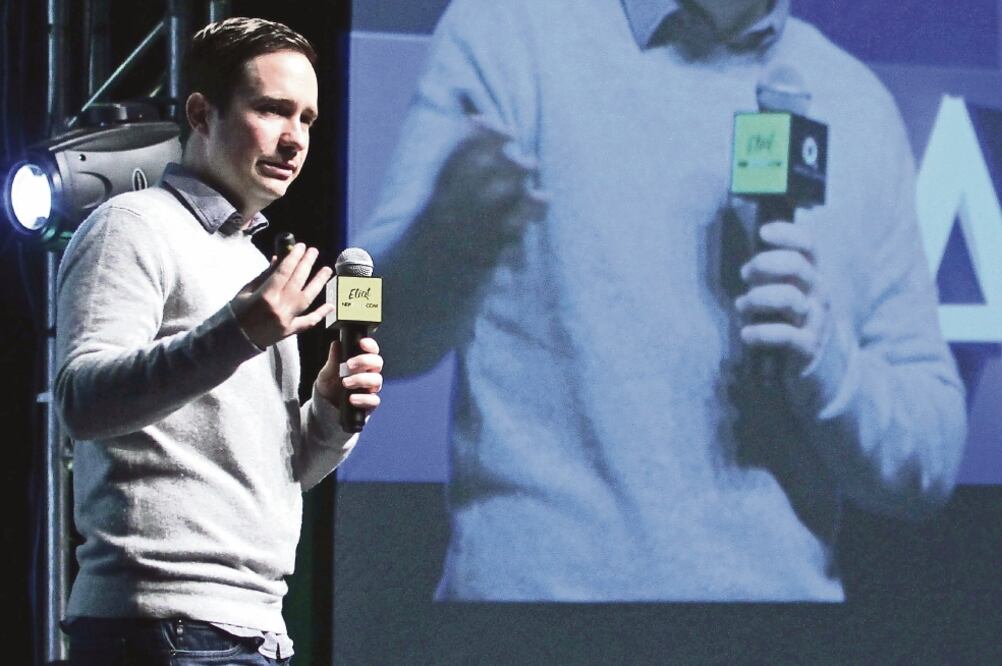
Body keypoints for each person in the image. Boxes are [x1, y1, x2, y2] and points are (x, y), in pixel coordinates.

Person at [359, 0, 966, 601]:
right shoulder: (506, 29)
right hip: (536, 631)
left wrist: (827, 364)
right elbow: (353, 314)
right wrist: (440, 239)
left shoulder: (856, 99)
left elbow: (932, 454)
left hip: (779, 636)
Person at [55, 17, 382, 664]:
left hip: (255, 630)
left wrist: (331, 419)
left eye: (308, 119)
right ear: (202, 113)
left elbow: (273, 478)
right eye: (272, 110)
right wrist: (239, 331)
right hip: (162, 630)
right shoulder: (132, 226)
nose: (295, 140)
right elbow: (82, 402)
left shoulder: (250, 264)